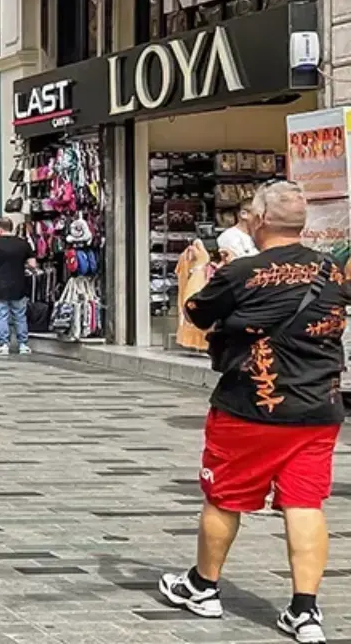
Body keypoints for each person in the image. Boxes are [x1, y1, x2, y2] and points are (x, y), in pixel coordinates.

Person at [159, 182, 346, 644]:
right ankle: (305, 611)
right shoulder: (334, 272)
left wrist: (201, 270)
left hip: (249, 407)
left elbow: (197, 316)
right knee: (304, 502)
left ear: (259, 221)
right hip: (318, 408)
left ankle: (203, 586)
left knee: (225, 497)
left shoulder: (241, 272)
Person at [0, 218, 37, 356]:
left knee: (1, 315)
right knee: (19, 315)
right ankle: (23, 344)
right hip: (18, 284)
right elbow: (33, 264)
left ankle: (4, 344)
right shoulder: (23, 244)